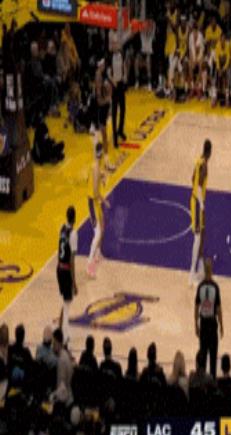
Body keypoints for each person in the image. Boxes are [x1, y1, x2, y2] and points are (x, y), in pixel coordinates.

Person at [195, 258, 223, 379]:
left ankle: (202, 379)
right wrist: (221, 325)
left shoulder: (200, 286)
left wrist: (196, 325)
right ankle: (212, 379)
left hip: (203, 324)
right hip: (212, 324)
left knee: (203, 354)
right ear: (210, 271)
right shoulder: (215, 287)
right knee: (213, 356)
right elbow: (218, 309)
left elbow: (196, 307)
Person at [189, 140, 212, 286]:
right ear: (210, 152)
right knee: (197, 239)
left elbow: (192, 179)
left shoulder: (198, 161)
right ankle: (192, 275)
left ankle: (199, 268)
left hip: (196, 201)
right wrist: (201, 204)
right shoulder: (204, 165)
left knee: (202, 235)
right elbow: (197, 185)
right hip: (197, 203)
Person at [86, 140, 110, 278]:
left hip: (95, 201)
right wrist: (104, 200)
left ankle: (98, 252)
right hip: (92, 201)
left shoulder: (96, 165)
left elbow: (92, 178)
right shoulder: (95, 167)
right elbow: (95, 192)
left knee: (103, 224)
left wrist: (101, 176)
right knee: (98, 233)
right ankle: (89, 264)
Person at [57, 206, 78, 345]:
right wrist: (74, 282)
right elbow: (72, 260)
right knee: (67, 305)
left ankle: (59, 330)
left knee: (65, 302)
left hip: (59, 268)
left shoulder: (62, 228)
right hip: (65, 271)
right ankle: (64, 338)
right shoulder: (74, 234)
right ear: (74, 218)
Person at [94, 58, 114, 171]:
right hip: (100, 110)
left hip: (103, 109)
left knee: (103, 137)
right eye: (102, 64)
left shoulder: (103, 76)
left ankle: (104, 161)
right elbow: (99, 100)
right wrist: (108, 99)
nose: (104, 66)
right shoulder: (98, 76)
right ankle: (105, 163)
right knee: (103, 137)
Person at [50, 328, 73, 406]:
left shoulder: (62, 361)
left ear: (58, 343)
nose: (52, 346)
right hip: (68, 397)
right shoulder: (65, 354)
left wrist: (52, 397)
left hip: (65, 402)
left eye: (53, 343)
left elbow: (62, 390)